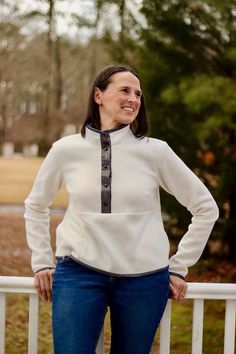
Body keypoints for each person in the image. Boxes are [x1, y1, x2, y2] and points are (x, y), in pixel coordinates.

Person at [24, 64, 219, 354]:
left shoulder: (156, 151)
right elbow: (36, 205)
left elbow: (205, 207)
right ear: (98, 95)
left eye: (138, 94)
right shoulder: (66, 149)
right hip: (79, 272)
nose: (134, 99)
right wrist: (41, 261)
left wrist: (178, 268)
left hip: (145, 278)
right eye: (125, 90)